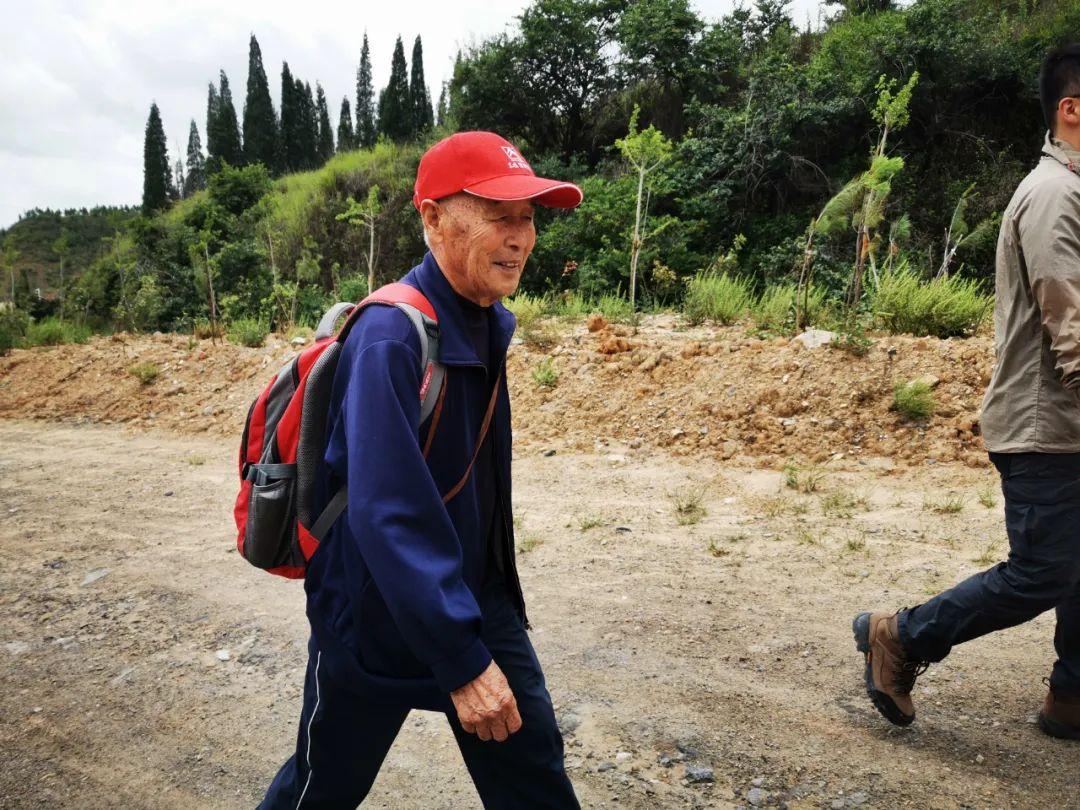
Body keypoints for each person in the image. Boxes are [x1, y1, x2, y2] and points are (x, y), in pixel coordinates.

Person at [260, 131, 584, 807]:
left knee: (535, 780)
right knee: (320, 790)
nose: (520, 237)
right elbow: (389, 511)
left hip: (472, 602)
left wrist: (480, 623)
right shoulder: (391, 336)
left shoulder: (485, 320)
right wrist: (461, 661)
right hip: (372, 612)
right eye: (499, 215)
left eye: (528, 217)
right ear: (433, 218)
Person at [854, 45, 1080, 740]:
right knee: (1041, 574)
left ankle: (1072, 697)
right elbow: (1070, 325)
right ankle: (901, 635)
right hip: (1046, 427)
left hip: (1066, 423)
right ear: (1072, 110)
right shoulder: (1054, 197)